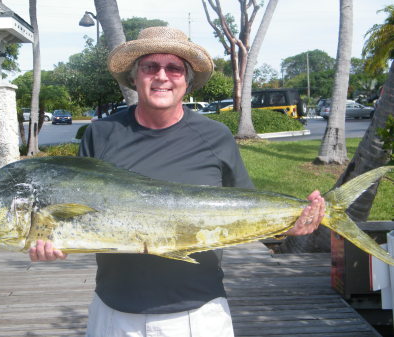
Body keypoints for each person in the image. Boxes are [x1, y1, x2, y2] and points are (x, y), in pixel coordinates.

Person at [29, 26, 325, 337]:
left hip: (198, 313)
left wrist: (289, 222)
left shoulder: (216, 136)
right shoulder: (100, 134)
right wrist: (56, 240)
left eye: (174, 68)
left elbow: (245, 207)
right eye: (150, 67)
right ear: (134, 76)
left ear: (188, 81)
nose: (162, 76)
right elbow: (78, 211)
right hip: (115, 311)